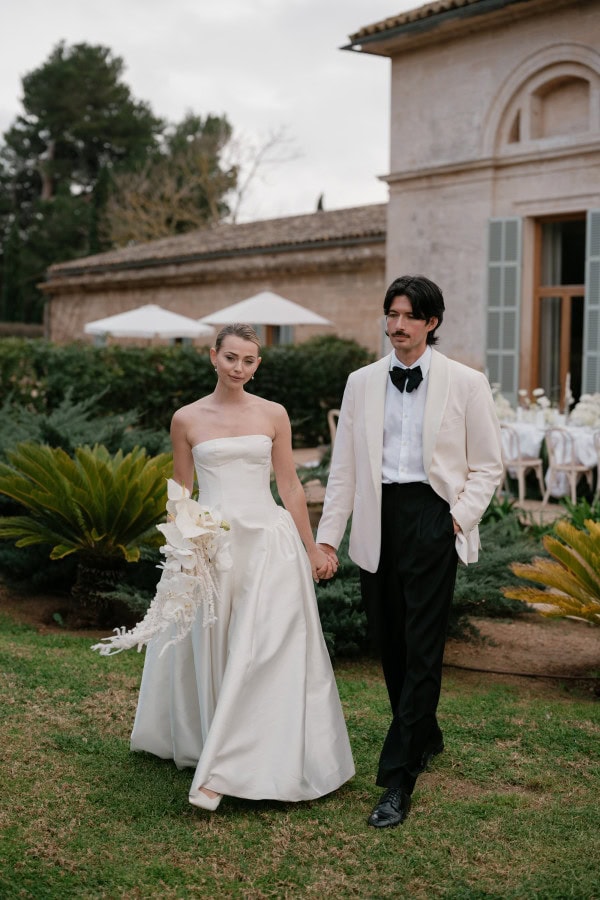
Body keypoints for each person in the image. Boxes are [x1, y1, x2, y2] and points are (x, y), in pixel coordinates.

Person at [130, 322, 355, 811]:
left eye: (249, 360)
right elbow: (182, 492)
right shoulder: (186, 419)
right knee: (220, 642)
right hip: (213, 546)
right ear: (213, 356)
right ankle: (215, 744)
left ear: (258, 365)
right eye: (231, 357)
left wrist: (313, 547)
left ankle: (239, 764)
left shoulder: (274, 414)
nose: (239, 368)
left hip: (269, 545)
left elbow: (290, 486)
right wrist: (183, 548)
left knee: (267, 648)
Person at [316, 275, 503, 828]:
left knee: (422, 646)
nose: (396, 326)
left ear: (432, 322)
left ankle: (398, 780)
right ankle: (425, 731)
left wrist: (455, 518)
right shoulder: (360, 382)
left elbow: (488, 464)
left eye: (408, 317)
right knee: (391, 643)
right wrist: (329, 535)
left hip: (432, 517)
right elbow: (344, 467)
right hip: (377, 519)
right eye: (390, 315)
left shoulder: (466, 383)